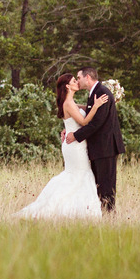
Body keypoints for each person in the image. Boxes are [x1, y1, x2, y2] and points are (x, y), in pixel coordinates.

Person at [13, 73, 109, 219]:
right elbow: (84, 122)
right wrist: (96, 106)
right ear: (67, 86)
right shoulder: (68, 103)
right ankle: (66, 209)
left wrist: (98, 105)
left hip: (75, 144)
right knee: (78, 175)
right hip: (75, 146)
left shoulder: (71, 102)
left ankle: (77, 209)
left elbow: (83, 110)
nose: (77, 82)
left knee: (77, 175)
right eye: (74, 81)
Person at [63, 67, 125, 213]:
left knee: (106, 185)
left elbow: (96, 123)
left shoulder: (102, 93)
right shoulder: (95, 93)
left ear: (87, 77)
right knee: (100, 184)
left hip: (106, 147)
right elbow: (89, 112)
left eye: (78, 78)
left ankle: (109, 215)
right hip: (100, 148)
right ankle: (102, 213)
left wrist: (76, 136)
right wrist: (69, 125)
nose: (77, 81)